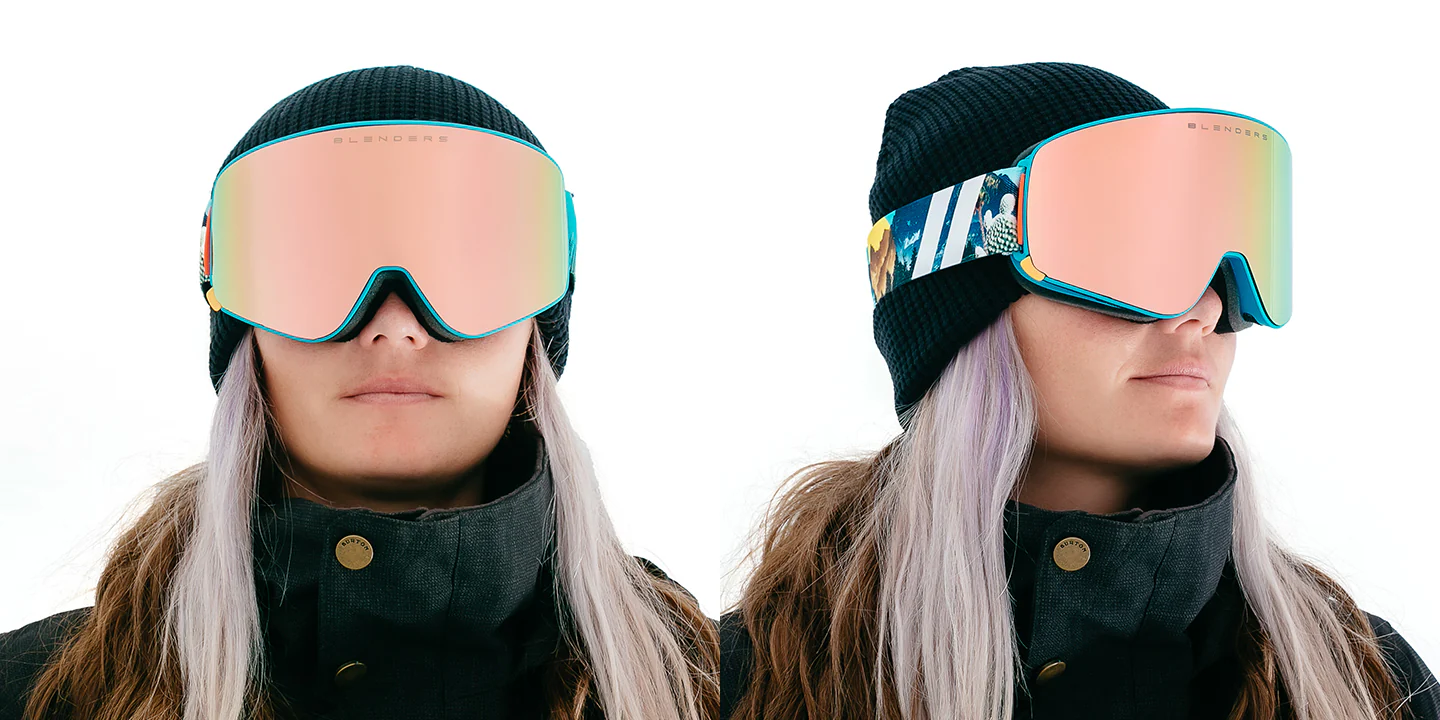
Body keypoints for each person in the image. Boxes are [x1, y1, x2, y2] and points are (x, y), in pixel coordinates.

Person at [719, 62, 1438, 719]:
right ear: (965, 309)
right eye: (1130, 251)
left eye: (1221, 260)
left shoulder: (1367, 684)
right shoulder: (748, 682)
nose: (1207, 307)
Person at [0, 65, 718, 720]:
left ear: (538, 324)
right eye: (316, 265)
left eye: (470, 263)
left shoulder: (726, 685)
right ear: (240, 321)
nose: (394, 327)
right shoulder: (31, 693)